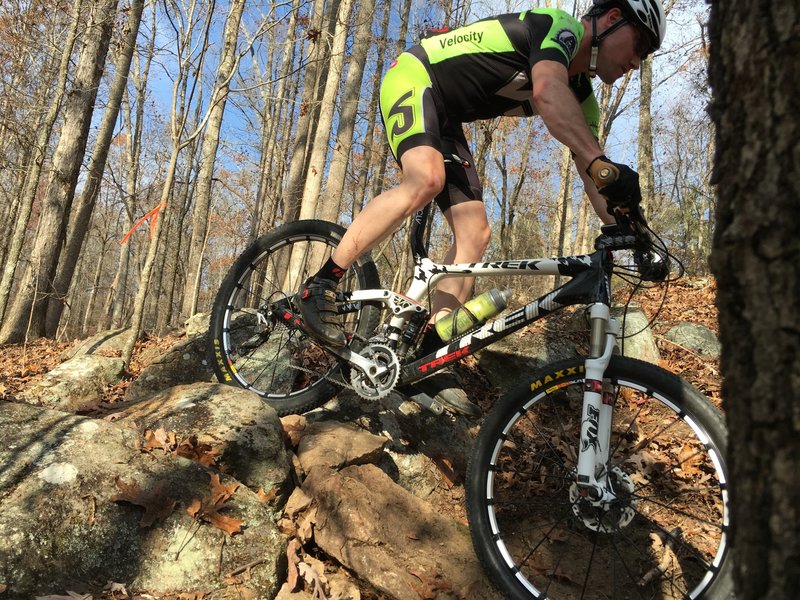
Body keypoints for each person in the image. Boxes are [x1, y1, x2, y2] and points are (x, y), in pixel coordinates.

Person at [298, 0, 666, 416]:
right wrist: (601, 164)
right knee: (425, 179)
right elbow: (547, 93)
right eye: (639, 45)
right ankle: (322, 282)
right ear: (612, 19)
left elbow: (591, 175)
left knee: (475, 235)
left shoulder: (583, 98)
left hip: (446, 116)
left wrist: (637, 231)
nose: (636, 62)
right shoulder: (560, 28)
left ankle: (428, 353)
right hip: (414, 76)